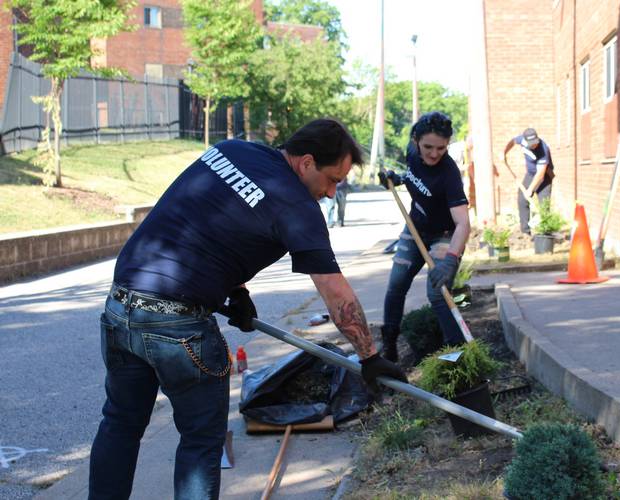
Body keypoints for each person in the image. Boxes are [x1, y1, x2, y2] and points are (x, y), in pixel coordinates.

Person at [89, 119, 407, 499]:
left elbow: (208, 223)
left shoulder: (232, 150)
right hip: (178, 325)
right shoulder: (298, 208)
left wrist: (234, 290)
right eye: (332, 179)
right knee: (201, 442)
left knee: (120, 425)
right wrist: (369, 356)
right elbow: (335, 293)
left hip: (121, 305)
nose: (331, 192)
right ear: (306, 163)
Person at [377, 112, 470, 362]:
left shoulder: (449, 173)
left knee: (438, 293)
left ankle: (460, 356)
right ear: (416, 140)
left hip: (445, 235)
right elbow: (415, 177)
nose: (434, 154)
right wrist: (397, 180)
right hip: (415, 228)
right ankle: (389, 348)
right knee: (396, 285)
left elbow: (463, 223)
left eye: (441, 148)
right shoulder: (411, 152)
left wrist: (451, 259)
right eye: (428, 147)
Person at [502, 128, 555, 236]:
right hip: (530, 175)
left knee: (544, 205)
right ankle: (525, 232)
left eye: (535, 143)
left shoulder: (543, 149)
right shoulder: (521, 140)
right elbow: (512, 141)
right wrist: (504, 153)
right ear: (525, 140)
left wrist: (530, 190)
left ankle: (545, 233)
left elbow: (540, 174)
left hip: (544, 177)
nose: (534, 145)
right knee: (522, 199)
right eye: (531, 143)